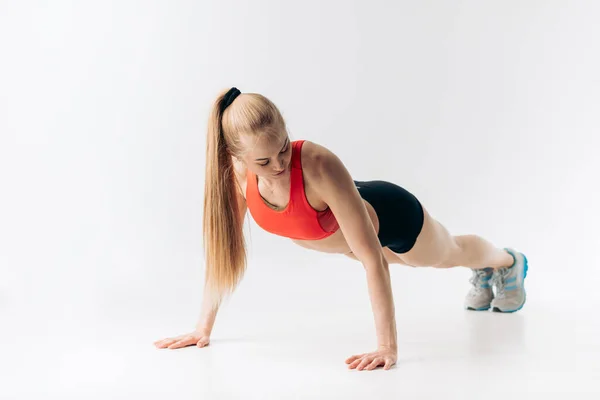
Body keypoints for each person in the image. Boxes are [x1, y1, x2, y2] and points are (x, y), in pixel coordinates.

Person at [154, 87, 529, 371]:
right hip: (349, 242)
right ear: (238, 157)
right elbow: (225, 253)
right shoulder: (238, 178)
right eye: (264, 161)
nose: (280, 164)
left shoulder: (318, 163)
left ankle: (506, 261)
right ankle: (493, 267)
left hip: (390, 215)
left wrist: (387, 347)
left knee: (445, 255)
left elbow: (372, 260)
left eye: (284, 148)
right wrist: (202, 327)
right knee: (418, 259)